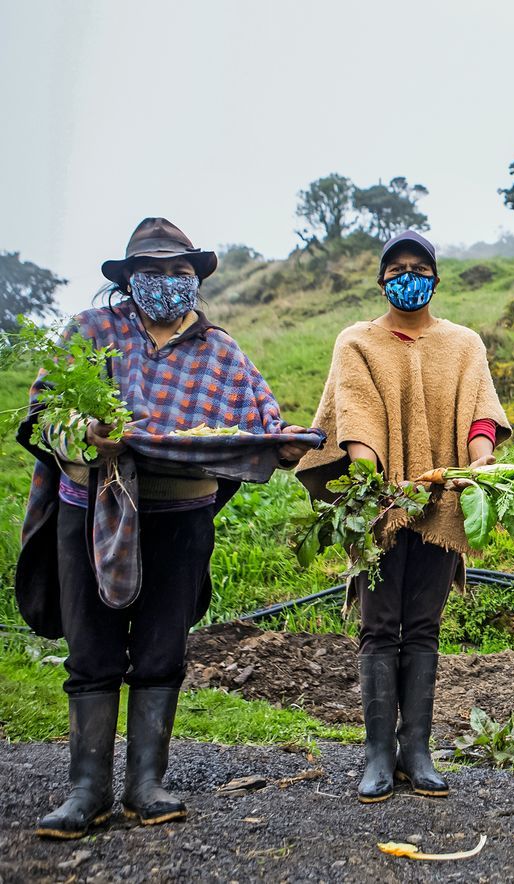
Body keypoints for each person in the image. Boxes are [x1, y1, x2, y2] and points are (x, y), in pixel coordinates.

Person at [18, 217, 322, 839]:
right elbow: (45, 414)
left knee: (162, 647)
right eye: (151, 273)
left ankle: (146, 785)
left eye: (179, 273)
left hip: (179, 516)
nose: (166, 284)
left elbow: (261, 423)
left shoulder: (220, 351)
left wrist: (285, 448)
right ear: (129, 280)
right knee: (93, 647)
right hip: (92, 508)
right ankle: (86, 790)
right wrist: (85, 436)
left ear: (196, 280)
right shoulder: (91, 332)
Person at [297, 230, 510, 804]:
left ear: (436, 279)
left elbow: (480, 411)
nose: (408, 276)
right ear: (382, 279)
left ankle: (416, 749)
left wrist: (481, 457)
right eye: (397, 268)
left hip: (441, 504)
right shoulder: (357, 342)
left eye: (419, 267)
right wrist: (373, 482)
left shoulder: (463, 343)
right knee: (378, 625)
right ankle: (377, 754)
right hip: (380, 506)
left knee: (422, 626)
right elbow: (355, 415)